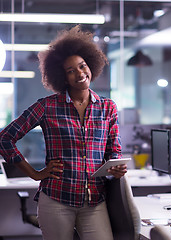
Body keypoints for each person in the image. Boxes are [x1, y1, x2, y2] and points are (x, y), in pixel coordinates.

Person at [0, 25, 127, 240]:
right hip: (57, 199)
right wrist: (35, 173)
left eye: (82, 66)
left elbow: (113, 149)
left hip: (94, 200)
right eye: (71, 70)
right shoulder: (47, 107)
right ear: (62, 77)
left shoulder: (108, 107)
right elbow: (5, 139)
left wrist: (115, 167)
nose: (79, 73)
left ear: (90, 66)